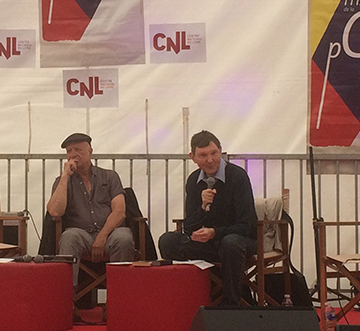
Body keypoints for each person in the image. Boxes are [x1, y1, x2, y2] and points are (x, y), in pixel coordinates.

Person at [158, 130, 257, 306]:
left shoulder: (237, 176)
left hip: (240, 241)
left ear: (221, 150)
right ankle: (187, 299)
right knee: (168, 241)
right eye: (203, 155)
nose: (210, 160)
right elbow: (189, 226)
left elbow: (246, 225)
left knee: (230, 243)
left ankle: (231, 305)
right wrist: (203, 207)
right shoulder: (193, 180)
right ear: (193, 157)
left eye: (214, 153)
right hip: (209, 243)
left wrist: (214, 232)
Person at [46, 133, 135, 284]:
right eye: (69, 151)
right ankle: (66, 294)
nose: (73, 154)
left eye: (78, 150)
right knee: (69, 237)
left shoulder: (109, 176)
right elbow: (55, 211)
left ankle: (120, 293)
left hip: (110, 234)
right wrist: (65, 176)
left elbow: (119, 211)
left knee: (124, 237)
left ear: (90, 152)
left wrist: (102, 235)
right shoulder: (62, 181)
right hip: (81, 235)